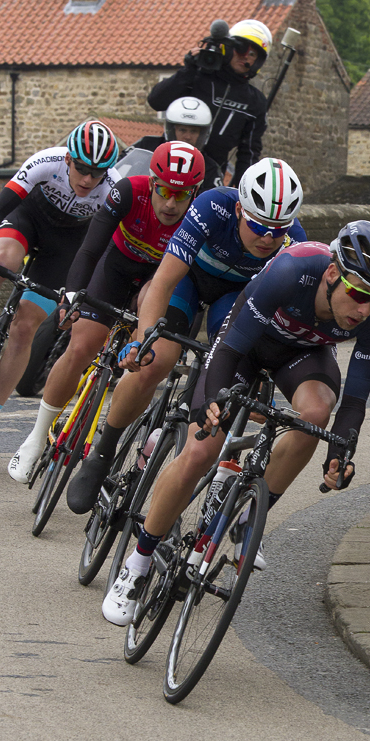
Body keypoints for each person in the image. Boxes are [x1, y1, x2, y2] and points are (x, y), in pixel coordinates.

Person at [101, 220, 370, 625]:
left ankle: (249, 517)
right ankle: (136, 566)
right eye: (358, 294)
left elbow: (356, 398)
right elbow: (228, 349)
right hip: (243, 346)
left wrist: (341, 451)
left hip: (302, 356)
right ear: (333, 273)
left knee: (317, 413)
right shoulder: (291, 270)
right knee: (200, 451)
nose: (365, 309)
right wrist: (214, 400)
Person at [66, 157, 305, 515]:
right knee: (155, 361)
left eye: (278, 229)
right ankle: (103, 450)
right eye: (258, 225)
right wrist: (141, 340)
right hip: (188, 280)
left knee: (229, 380)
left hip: (234, 298)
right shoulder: (212, 208)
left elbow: (273, 320)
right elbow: (161, 282)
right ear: (239, 209)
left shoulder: (293, 242)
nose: (268, 238)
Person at [7, 141, 206, 483]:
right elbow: (89, 249)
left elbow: (197, 285)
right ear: (152, 183)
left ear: (195, 193)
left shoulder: (201, 217)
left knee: (151, 315)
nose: (172, 204)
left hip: (156, 280)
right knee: (82, 345)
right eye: (165, 192)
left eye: (182, 195)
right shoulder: (128, 192)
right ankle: (36, 436)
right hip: (115, 268)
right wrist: (72, 296)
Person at [0, 120, 120, 466]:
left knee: (25, 328)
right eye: (81, 169)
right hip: (28, 220)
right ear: (68, 160)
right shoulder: (45, 163)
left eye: (96, 173)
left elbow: (106, 252)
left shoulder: (112, 190)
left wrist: (78, 294)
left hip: (65, 247)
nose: (87, 180)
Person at [147, 19, 271, 187]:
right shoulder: (197, 78)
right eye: (240, 49)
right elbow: (156, 101)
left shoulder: (255, 102)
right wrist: (188, 70)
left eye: (252, 54)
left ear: (258, 61)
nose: (245, 57)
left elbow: (248, 153)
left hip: (209, 176)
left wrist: (241, 192)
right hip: (168, 166)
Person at [130, 97, 222, 193]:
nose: (187, 136)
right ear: (172, 130)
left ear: (202, 134)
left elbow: (212, 201)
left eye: (194, 131)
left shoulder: (210, 168)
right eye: (182, 130)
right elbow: (120, 165)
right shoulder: (146, 145)